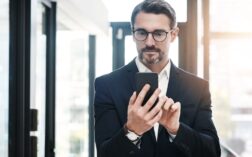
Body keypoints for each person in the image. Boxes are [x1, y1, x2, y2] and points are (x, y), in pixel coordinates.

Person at [94, 0, 221, 157]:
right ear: (133, 34)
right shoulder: (106, 85)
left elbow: (212, 153)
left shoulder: (197, 87)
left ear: (173, 35)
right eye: (141, 33)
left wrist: (176, 129)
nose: (149, 42)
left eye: (159, 34)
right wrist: (133, 130)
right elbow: (104, 154)